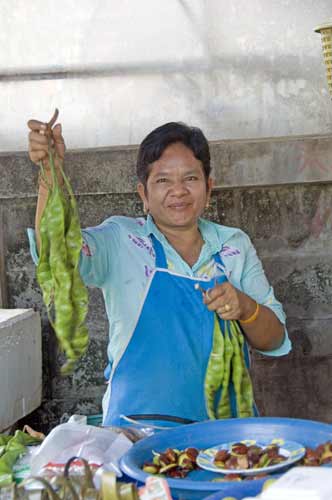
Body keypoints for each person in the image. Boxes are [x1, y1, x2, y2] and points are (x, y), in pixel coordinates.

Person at [27, 116, 291, 427]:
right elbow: (55, 252)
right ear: (143, 194)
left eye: (190, 179)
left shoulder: (233, 245)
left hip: (222, 437)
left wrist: (245, 308)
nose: (178, 191)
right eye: (163, 181)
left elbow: (274, 340)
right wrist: (50, 173)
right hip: (135, 430)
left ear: (209, 187)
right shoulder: (120, 239)